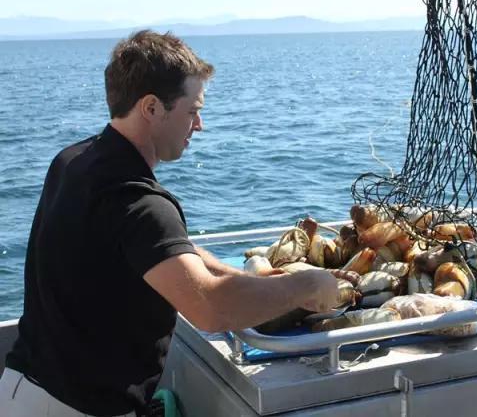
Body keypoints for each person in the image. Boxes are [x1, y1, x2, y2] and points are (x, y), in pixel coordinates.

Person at [0, 30, 339, 417]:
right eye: (192, 111)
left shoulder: (73, 161)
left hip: (20, 392)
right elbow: (209, 307)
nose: (199, 125)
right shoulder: (140, 203)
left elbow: (164, 252)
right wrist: (306, 286)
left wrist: (256, 281)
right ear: (151, 108)